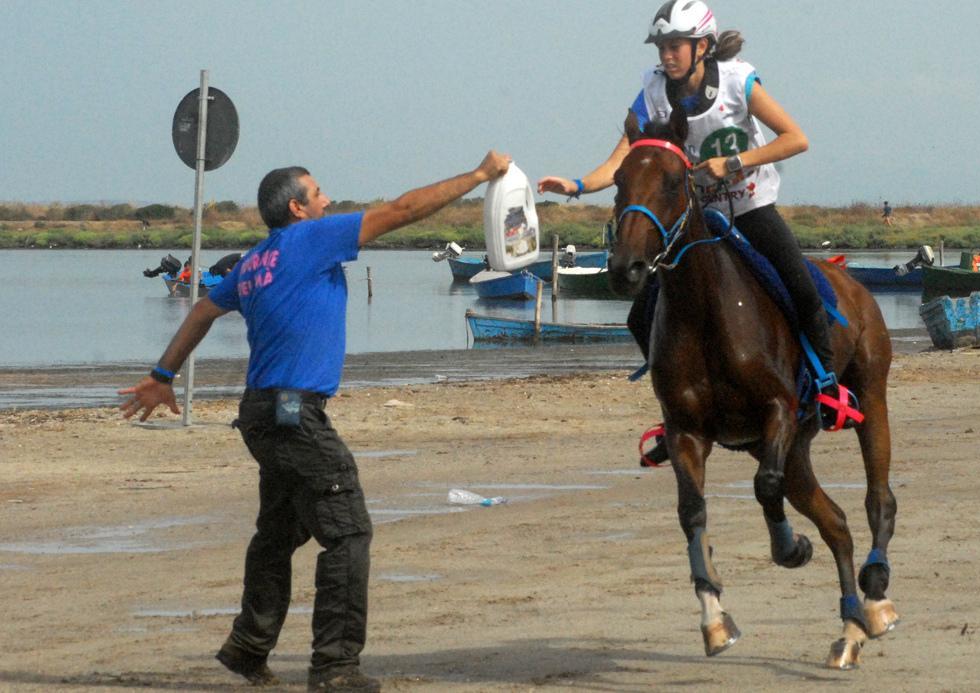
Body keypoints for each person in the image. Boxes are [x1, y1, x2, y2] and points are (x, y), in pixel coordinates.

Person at [119, 151, 510, 691]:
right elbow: (403, 209)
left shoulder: (255, 260)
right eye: (320, 193)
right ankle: (334, 668)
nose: (329, 200)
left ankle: (247, 648)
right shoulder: (314, 239)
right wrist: (479, 176)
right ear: (299, 209)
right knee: (348, 533)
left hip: (260, 414)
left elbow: (205, 308)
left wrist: (164, 373)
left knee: (277, 534)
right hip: (292, 414)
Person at [538, 0, 856, 457]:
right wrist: (577, 185)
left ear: (701, 46)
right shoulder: (651, 92)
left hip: (750, 205)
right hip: (695, 216)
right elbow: (625, 155)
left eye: (674, 46)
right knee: (642, 310)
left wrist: (734, 162)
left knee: (801, 287)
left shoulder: (737, 81)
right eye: (661, 47)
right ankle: (678, 413)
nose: (666, 55)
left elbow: (796, 138)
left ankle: (825, 388)